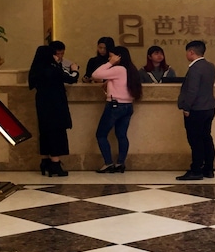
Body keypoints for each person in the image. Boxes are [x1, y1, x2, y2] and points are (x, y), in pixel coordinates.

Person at [28, 41, 79, 177]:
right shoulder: (52, 69)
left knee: (45, 132)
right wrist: (75, 70)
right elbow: (71, 78)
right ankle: (55, 164)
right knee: (57, 132)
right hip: (55, 105)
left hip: (42, 103)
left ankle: (45, 161)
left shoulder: (37, 68)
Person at [91, 46, 143, 173]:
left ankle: (108, 163)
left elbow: (95, 75)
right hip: (128, 106)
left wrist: (110, 64)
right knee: (121, 135)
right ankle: (120, 163)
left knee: (101, 134)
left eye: (111, 56)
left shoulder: (118, 69)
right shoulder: (131, 69)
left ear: (118, 56)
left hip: (115, 106)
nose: (109, 58)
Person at [176, 40, 215, 180]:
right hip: (209, 107)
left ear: (191, 52)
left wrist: (186, 107)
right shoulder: (210, 66)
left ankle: (196, 170)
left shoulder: (194, 68)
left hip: (196, 109)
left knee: (195, 140)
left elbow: (192, 91)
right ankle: (208, 169)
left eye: (187, 52)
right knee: (206, 137)